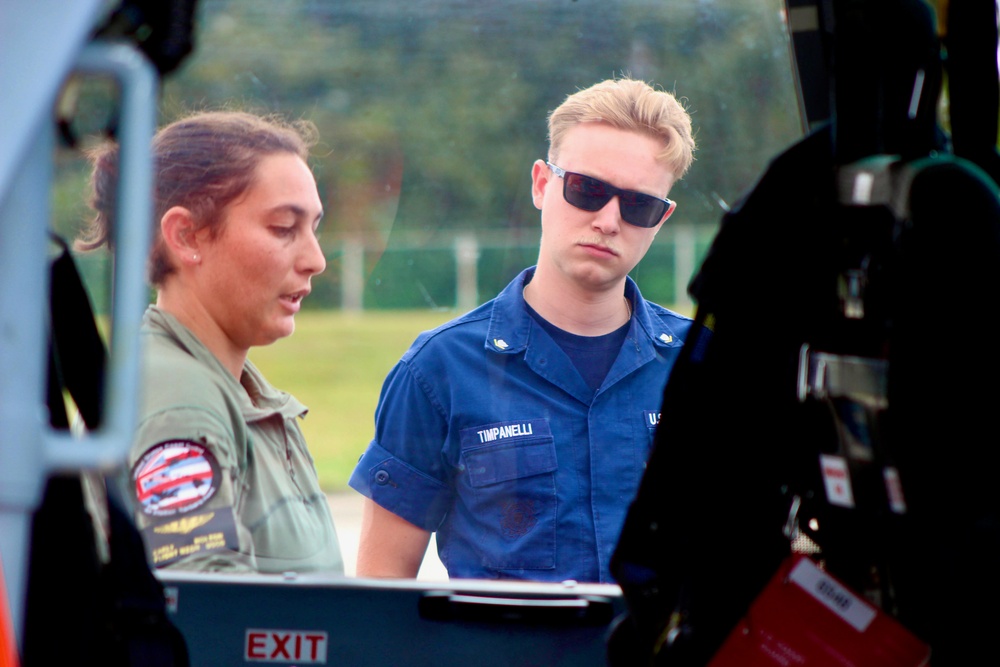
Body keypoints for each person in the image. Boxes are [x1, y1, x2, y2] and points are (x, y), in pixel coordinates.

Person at [349, 77, 696, 582]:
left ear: (661, 219)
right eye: (587, 189)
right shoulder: (439, 370)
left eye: (638, 205)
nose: (607, 220)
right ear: (541, 184)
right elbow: (380, 592)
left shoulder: (706, 367)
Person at [77, 110, 343, 574]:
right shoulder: (177, 399)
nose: (315, 260)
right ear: (185, 236)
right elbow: (204, 620)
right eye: (284, 228)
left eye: (313, 229)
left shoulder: (228, 388)